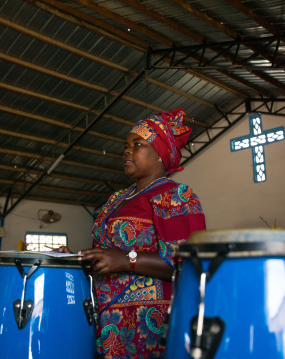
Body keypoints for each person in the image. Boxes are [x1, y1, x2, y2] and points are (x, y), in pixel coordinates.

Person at [59, 107, 206, 358]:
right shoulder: (117, 198)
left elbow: (187, 264)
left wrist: (127, 260)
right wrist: (76, 260)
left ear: (161, 154)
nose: (127, 150)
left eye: (137, 144)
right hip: (105, 319)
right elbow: (107, 256)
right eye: (126, 145)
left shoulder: (175, 197)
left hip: (148, 327)